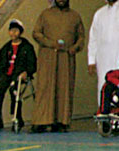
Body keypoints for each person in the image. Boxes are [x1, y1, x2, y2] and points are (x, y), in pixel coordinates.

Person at [30, 0, 85, 134]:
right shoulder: (45, 14)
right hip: (48, 57)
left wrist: (74, 48)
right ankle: (41, 121)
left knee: (64, 88)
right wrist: (51, 44)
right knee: (45, 87)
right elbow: (36, 33)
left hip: (66, 57)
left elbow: (81, 38)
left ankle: (62, 121)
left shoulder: (75, 16)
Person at [0, 19, 37, 132]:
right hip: (6, 74)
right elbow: (0, 64)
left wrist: (27, 72)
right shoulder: (5, 48)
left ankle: (17, 118)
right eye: (11, 31)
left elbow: (32, 64)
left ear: (20, 32)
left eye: (16, 31)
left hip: (19, 75)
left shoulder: (27, 47)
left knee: (15, 90)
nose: (13, 33)